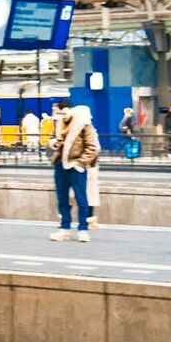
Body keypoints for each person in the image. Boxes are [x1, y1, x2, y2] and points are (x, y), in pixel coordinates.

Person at [49, 103, 99, 242]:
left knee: (81, 199)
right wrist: (54, 143)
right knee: (62, 199)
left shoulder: (83, 123)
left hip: (76, 166)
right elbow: (51, 138)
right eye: (60, 113)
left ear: (70, 110)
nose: (62, 115)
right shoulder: (58, 122)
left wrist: (80, 163)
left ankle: (83, 229)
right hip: (60, 164)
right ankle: (65, 229)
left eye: (64, 112)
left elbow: (92, 147)